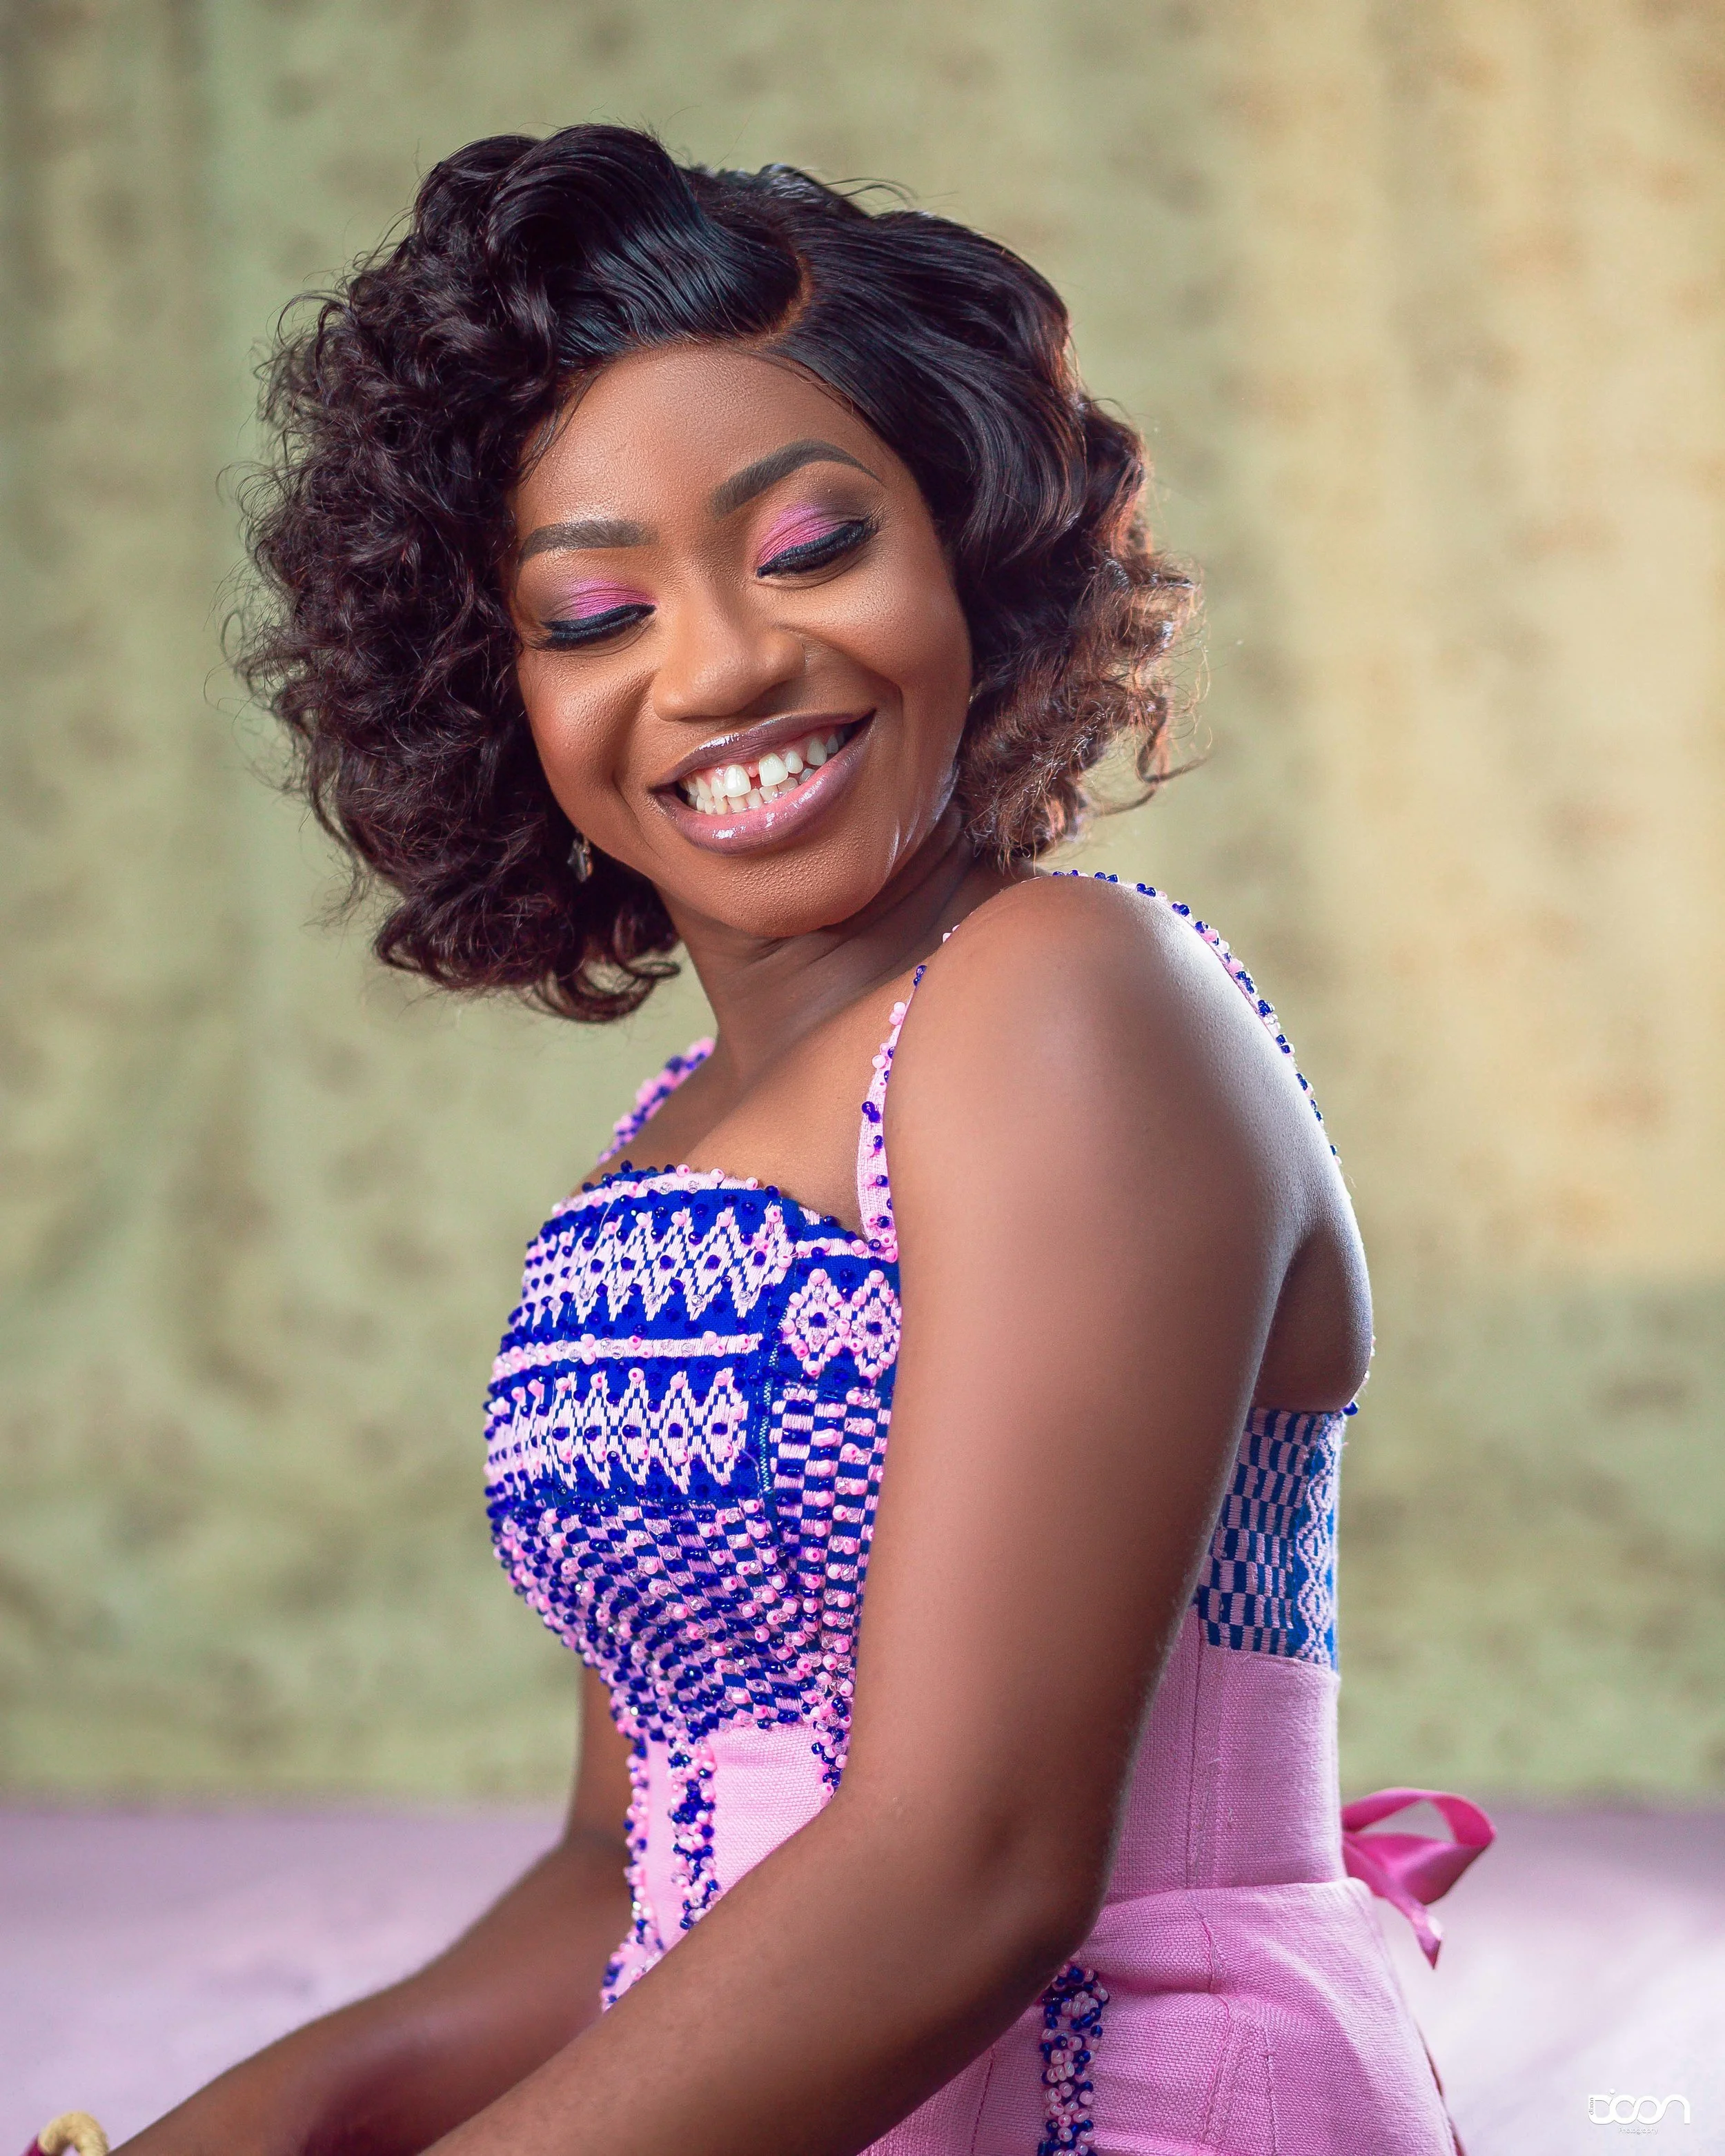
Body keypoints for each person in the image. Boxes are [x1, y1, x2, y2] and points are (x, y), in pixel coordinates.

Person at [117, 123, 1486, 2156]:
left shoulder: (1068, 999)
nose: (723, 663)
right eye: (591, 610)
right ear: (491, 693)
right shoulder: (658, 1143)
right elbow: (620, 1867)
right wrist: (240, 2125)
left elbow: (975, 1860)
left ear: (972, 553)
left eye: (807, 545)